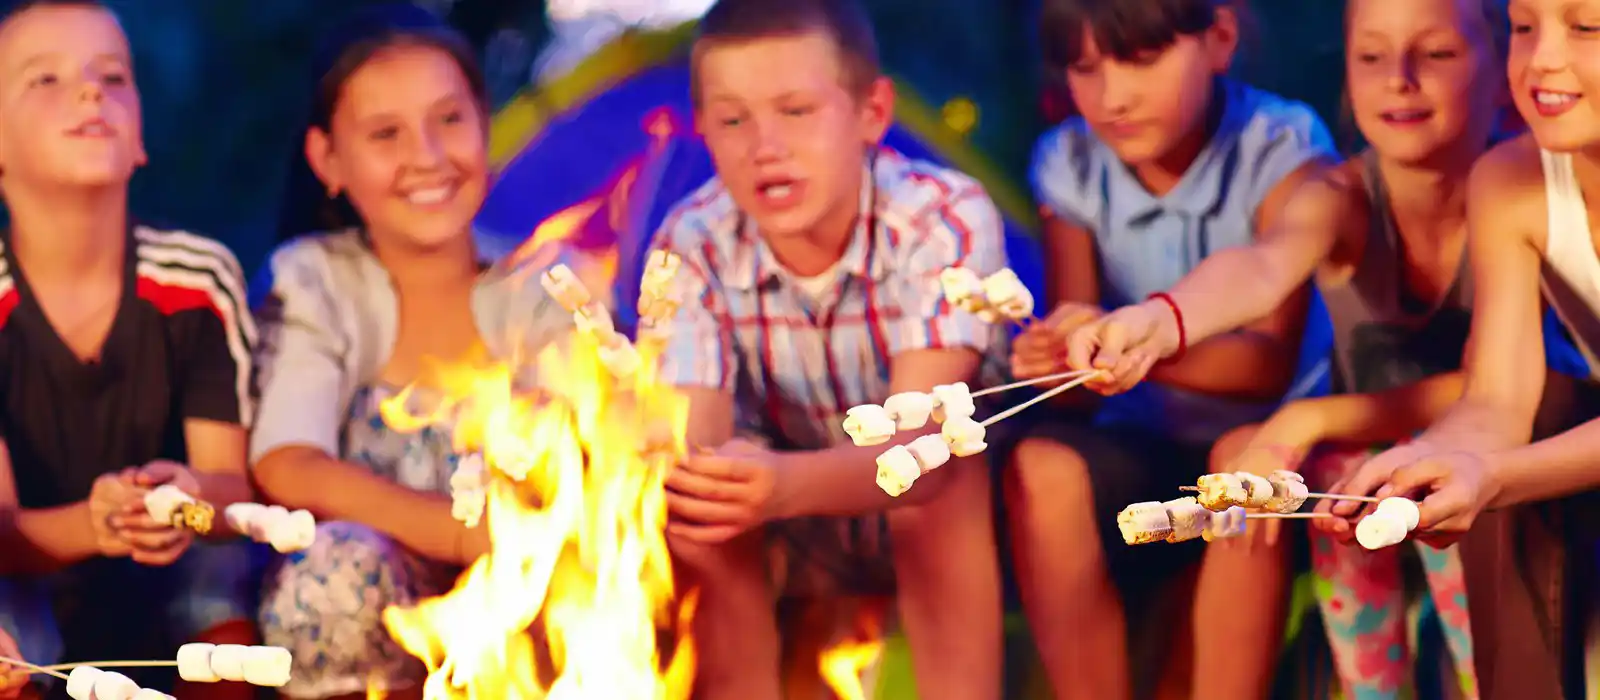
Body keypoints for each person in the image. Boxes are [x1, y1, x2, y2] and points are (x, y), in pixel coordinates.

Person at [1053, 0, 1509, 696]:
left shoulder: (1519, 190)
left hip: (1494, 455)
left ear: (1502, 63)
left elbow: (1494, 388)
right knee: (1324, 485)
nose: (1400, 80)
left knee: (1428, 475)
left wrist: (1304, 420)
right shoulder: (1340, 193)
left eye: (1438, 55)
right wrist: (1160, 320)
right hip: (1366, 464)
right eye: (1372, 57)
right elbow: (1264, 267)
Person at [646, 1, 1007, 698]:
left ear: (872, 113)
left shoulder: (940, 217)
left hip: (958, 516)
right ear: (704, 134)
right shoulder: (691, 240)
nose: (764, 146)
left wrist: (782, 484)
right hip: (792, 523)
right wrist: (720, 478)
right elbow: (698, 440)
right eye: (732, 120)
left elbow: (919, 449)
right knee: (699, 513)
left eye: (796, 111)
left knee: (946, 471)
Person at [1005, 1, 1336, 698]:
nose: (1112, 96)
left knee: (1237, 466)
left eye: (1141, 59)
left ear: (1219, 39)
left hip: (1273, 432)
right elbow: (1079, 354)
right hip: (1142, 436)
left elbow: (1265, 367)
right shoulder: (1068, 161)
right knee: (1041, 467)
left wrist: (1128, 343)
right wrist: (1059, 359)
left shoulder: (1282, 145)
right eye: (1085, 69)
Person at [248, 5, 577, 699]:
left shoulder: (547, 282)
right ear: (327, 160)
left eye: (449, 120)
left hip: (530, 605)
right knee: (334, 573)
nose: (427, 156)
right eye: (386, 134)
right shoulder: (316, 281)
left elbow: (602, 457)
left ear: (486, 126)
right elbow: (288, 463)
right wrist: (457, 535)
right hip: (378, 624)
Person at [1278, 0, 1600, 693]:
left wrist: (1492, 474)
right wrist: (1421, 461)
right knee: (1488, 450)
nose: (1542, 57)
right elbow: (1498, 396)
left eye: (1586, 27)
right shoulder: (1512, 181)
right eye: (1523, 26)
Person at [0, 1, 260, 699]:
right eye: (44, 80)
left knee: (222, 581)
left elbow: (231, 488)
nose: (90, 92)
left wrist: (187, 499)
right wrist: (95, 522)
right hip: (26, 582)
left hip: (171, 571)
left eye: (113, 77)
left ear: (140, 134)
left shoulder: (200, 282)